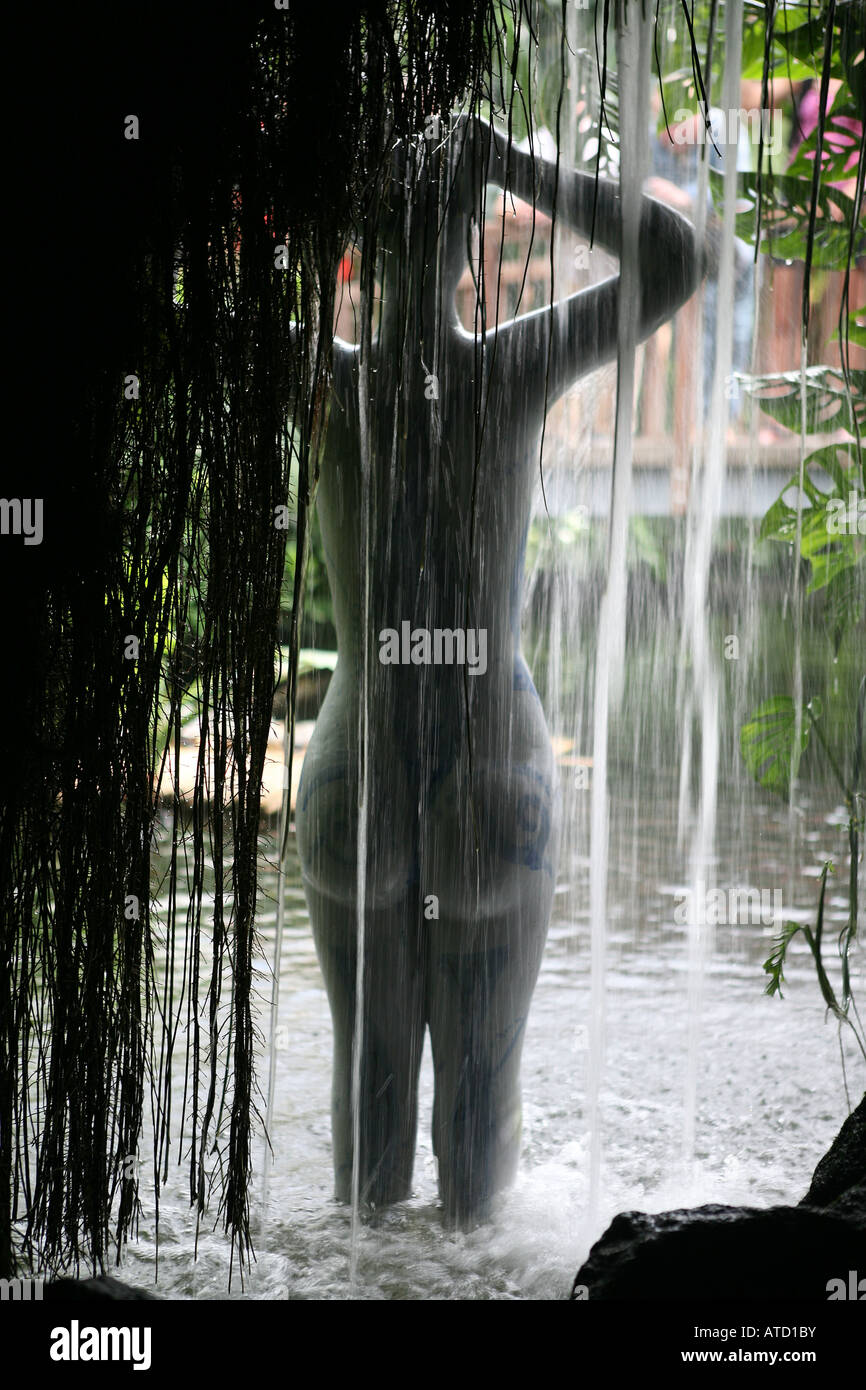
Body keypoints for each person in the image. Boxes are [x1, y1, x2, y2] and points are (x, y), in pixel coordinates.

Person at [295, 115, 700, 1225]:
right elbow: (675, 259)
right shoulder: (512, 369)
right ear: (468, 255)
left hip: (354, 775)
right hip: (491, 774)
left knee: (364, 1149)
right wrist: (508, 164)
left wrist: (307, 178)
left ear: (360, 258)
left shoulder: (322, 382)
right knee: (477, 1141)